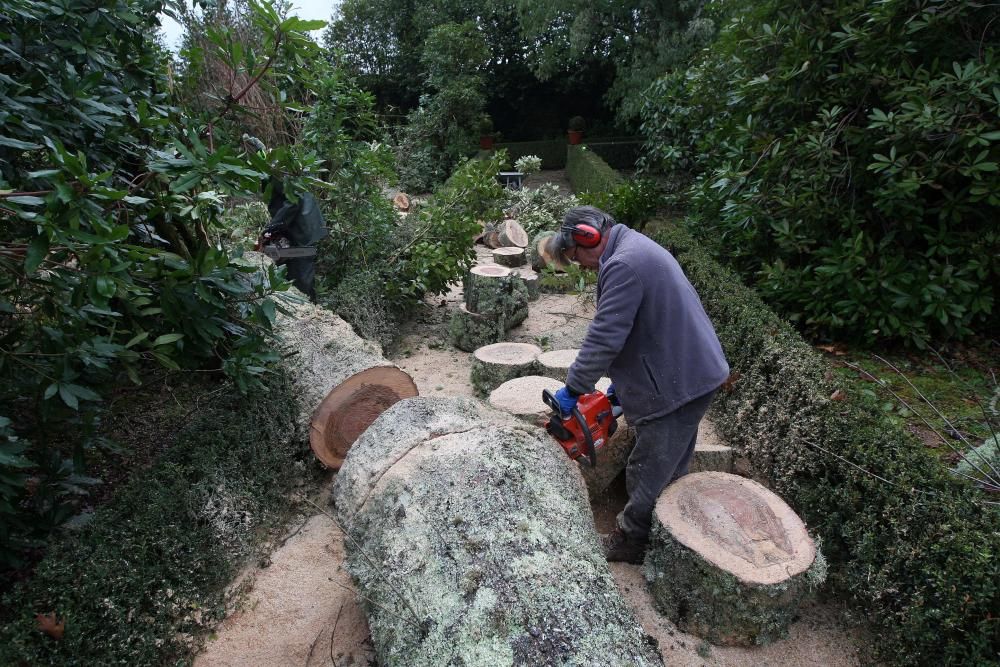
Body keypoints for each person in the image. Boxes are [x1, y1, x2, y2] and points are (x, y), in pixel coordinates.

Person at [551, 206, 730, 563]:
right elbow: (645, 324)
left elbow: (604, 337)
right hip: (690, 370)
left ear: (589, 237)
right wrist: (623, 385)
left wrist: (573, 389)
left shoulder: (623, 264)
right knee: (671, 463)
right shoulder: (634, 247)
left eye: (577, 256)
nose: (582, 265)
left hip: (679, 383)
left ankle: (632, 541)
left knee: (647, 468)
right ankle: (669, 535)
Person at [262, 179, 328, 301]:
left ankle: (305, 303)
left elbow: (294, 198)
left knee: (301, 269)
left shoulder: (276, 172)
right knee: (293, 264)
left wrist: (274, 225)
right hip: (298, 225)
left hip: (302, 226)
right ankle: (303, 301)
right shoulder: (274, 170)